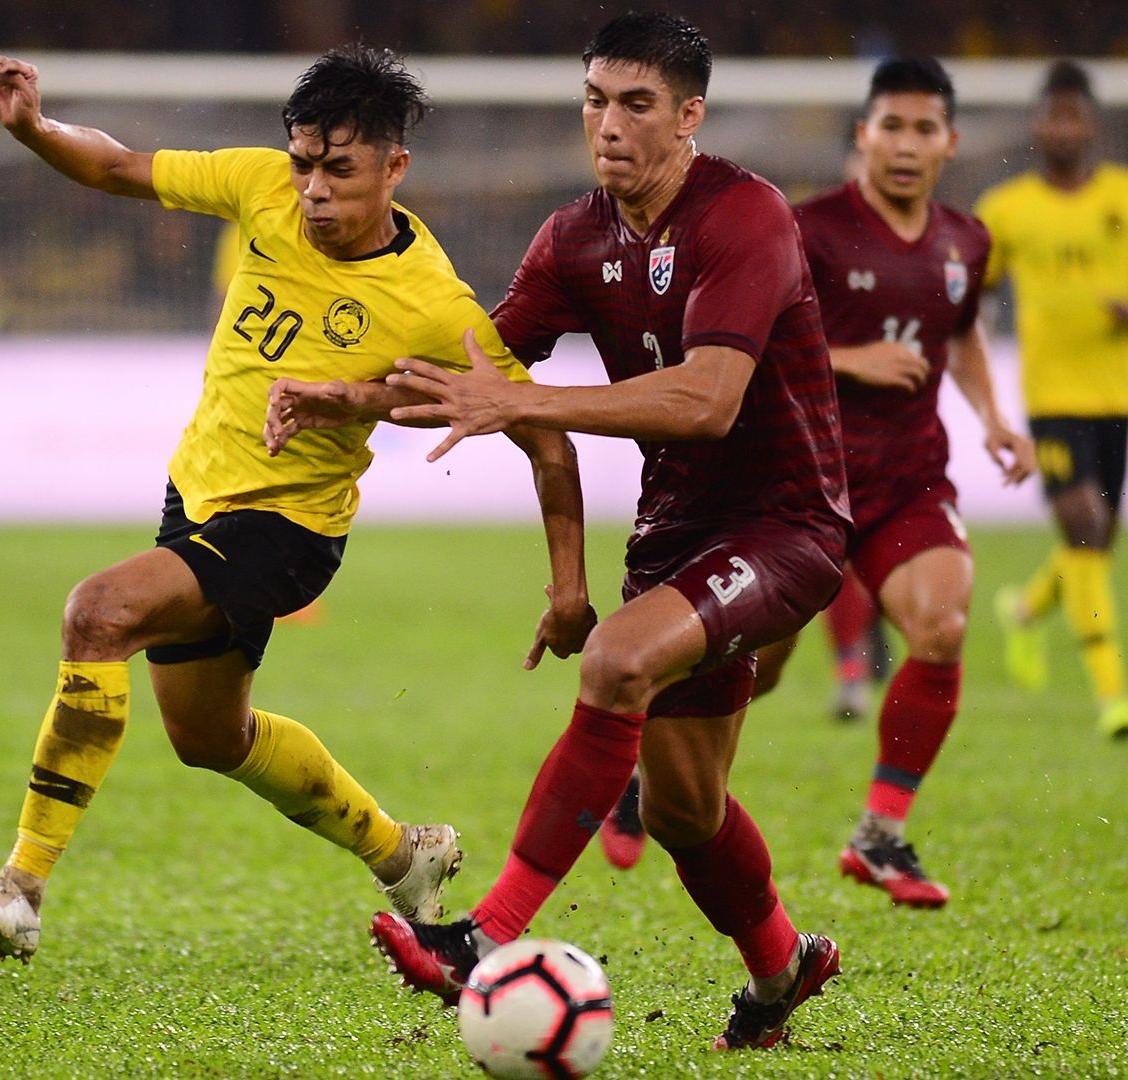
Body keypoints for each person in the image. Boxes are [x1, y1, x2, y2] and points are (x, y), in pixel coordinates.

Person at [0, 42, 595, 964]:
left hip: (287, 530)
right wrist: (37, 128)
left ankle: (21, 887)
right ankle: (403, 853)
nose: (314, 189)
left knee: (98, 614)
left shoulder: (434, 307)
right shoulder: (261, 189)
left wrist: (568, 588)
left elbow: (544, 436)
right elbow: (122, 165)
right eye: (304, 164)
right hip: (197, 497)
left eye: (340, 169)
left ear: (394, 168)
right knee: (209, 736)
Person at [270, 12, 850, 1051]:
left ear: (689, 116)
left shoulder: (745, 217)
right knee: (683, 809)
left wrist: (531, 406)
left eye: (636, 104)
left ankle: (480, 938)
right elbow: (478, 385)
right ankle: (783, 967)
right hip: (677, 540)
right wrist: (345, 397)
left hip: (786, 523)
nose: (609, 124)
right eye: (594, 99)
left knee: (618, 665)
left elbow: (710, 400)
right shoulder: (575, 239)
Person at [758, 58, 1033, 909]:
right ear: (862, 137)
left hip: (908, 482)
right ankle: (646, 776)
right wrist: (850, 359)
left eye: (925, 129)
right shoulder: (806, 230)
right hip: (801, 481)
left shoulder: (967, 240)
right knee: (752, 672)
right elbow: (750, 340)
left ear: (950, 143)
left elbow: (963, 334)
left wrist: (992, 415)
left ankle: (880, 834)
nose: (906, 144)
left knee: (943, 625)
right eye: (891, 127)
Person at [977, 60, 1128, 739]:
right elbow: (969, 289)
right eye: (1053, 115)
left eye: (1074, 115)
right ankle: (1113, 697)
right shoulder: (1006, 210)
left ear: (1091, 125)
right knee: (1086, 532)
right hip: (1049, 399)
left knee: (1095, 548)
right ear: (1039, 125)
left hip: (1114, 399)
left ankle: (1025, 610)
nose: (1063, 127)